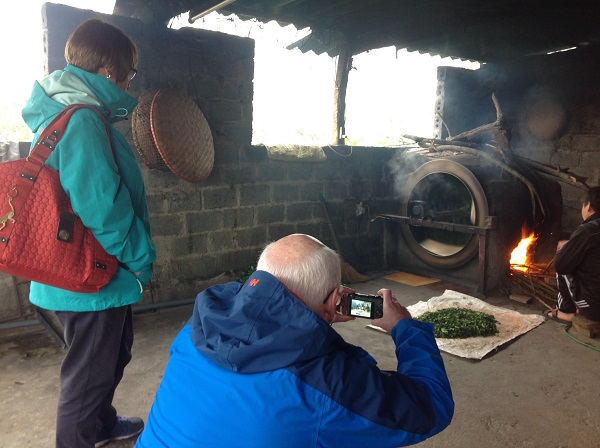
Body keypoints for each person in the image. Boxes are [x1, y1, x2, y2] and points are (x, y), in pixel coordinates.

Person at [136, 234, 453, 448]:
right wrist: (405, 329)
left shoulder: (198, 327)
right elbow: (432, 405)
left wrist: (319, 313)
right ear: (334, 300)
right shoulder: (328, 384)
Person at [21, 19, 156, 448]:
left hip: (86, 273)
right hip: (89, 276)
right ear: (106, 70)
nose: (130, 82)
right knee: (86, 381)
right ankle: (83, 433)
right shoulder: (82, 121)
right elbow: (103, 207)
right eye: (128, 73)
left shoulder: (73, 112)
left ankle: (99, 426)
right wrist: (139, 257)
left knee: (110, 359)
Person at [548, 186, 600, 324]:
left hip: (595, 309)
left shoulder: (588, 230)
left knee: (563, 259)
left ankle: (565, 312)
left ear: (588, 206)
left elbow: (559, 265)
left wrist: (566, 248)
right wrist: (571, 244)